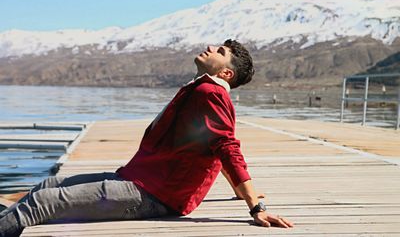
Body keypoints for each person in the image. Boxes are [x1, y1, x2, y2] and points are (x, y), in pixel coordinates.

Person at [0, 39, 294, 236]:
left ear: (227, 73)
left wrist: (255, 206)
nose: (210, 46)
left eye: (219, 51)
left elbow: (227, 147)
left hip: (155, 194)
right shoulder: (202, 89)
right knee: (48, 184)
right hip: (137, 179)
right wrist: (242, 190)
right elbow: (215, 148)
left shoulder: (210, 93)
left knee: (43, 203)